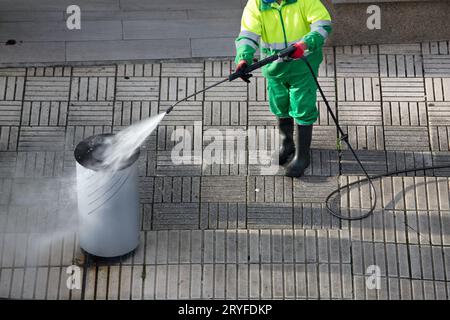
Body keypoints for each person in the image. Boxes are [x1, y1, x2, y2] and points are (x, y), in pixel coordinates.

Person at [234, 0, 332, 177]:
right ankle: (287, 144)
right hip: (275, 69)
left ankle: (302, 156)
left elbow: (322, 24)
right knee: (280, 104)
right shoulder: (256, 4)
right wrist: (243, 59)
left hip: (303, 66)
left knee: (303, 106)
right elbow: (248, 34)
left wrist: (304, 44)